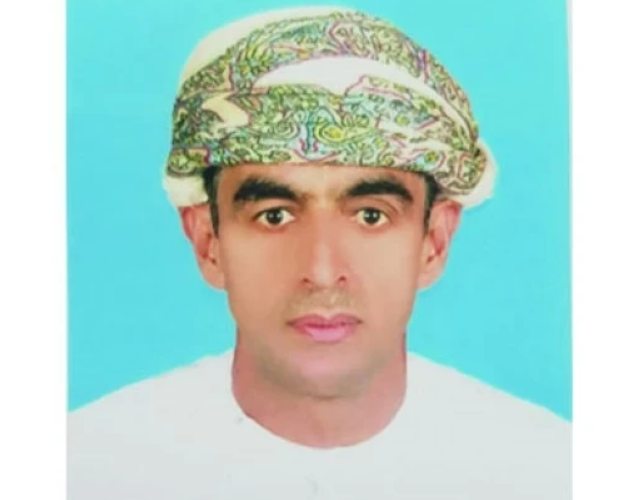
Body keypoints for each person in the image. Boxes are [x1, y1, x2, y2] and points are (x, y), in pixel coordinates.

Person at [68, 6, 571, 499]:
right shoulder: (82, 469)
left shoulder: (551, 472)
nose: (323, 272)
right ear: (208, 242)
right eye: (274, 216)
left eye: (370, 215)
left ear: (434, 242)